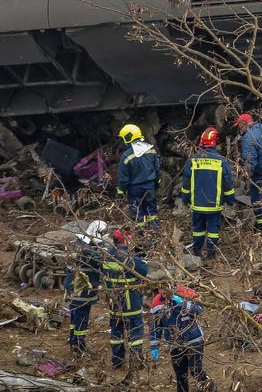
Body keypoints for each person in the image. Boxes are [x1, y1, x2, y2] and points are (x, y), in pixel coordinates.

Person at [181, 127, 236, 260]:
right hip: (214, 205)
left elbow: (186, 183)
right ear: (215, 142)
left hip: (197, 205)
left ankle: (197, 252)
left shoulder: (192, 160)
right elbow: (228, 184)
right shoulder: (221, 161)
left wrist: (185, 199)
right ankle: (211, 255)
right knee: (213, 231)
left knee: (198, 229)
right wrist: (231, 201)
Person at [102, 229, 150, 370]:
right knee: (135, 334)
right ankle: (136, 362)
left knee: (116, 333)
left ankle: (117, 361)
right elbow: (144, 269)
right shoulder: (128, 258)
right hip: (130, 303)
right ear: (125, 241)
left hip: (114, 303)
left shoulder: (106, 256)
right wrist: (143, 257)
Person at [150, 287, 211, 392]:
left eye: (164, 286)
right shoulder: (157, 302)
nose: (162, 291)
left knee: (195, 370)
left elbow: (200, 310)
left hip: (194, 338)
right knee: (180, 375)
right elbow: (156, 326)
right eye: (159, 287)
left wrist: (184, 304)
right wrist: (154, 347)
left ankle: (210, 387)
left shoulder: (186, 293)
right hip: (175, 343)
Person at [65, 220, 107, 353]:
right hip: (83, 289)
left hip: (73, 286)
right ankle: (78, 344)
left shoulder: (77, 244)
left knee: (74, 314)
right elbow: (99, 261)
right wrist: (103, 248)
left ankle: (73, 340)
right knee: (82, 317)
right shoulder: (87, 250)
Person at [236, 113, 262, 231]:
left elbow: (250, 163)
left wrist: (245, 177)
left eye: (239, 125)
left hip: (259, 174)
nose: (239, 128)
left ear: (243, 124)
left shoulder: (248, 138)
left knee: (257, 202)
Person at [117, 124, 161, 229]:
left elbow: (123, 178)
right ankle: (154, 231)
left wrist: (120, 192)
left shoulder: (126, 156)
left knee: (137, 212)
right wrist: (156, 182)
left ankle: (141, 234)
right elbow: (157, 168)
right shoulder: (151, 149)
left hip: (134, 189)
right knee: (152, 210)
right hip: (150, 186)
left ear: (128, 137)